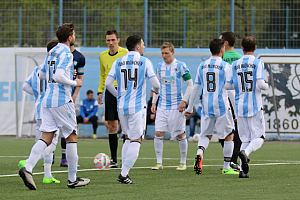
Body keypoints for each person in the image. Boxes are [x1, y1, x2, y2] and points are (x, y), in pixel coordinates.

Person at [19, 23, 90, 190]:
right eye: (74, 34)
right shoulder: (66, 53)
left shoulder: (52, 51)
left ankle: (28, 167)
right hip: (61, 100)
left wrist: (64, 75)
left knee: (46, 137)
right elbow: (58, 76)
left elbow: (43, 74)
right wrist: (74, 81)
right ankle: (72, 179)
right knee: (71, 135)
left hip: (47, 101)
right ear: (70, 37)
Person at [105, 34, 160, 184]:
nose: (144, 47)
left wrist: (118, 95)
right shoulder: (144, 61)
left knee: (127, 137)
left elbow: (108, 83)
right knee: (137, 139)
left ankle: (124, 169)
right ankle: (124, 174)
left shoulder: (118, 61)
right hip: (137, 107)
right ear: (137, 46)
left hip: (122, 106)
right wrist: (155, 94)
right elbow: (156, 84)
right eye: (142, 44)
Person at [185, 38, 239, 175]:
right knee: (229, 136)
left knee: (205, 135)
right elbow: (230, 91)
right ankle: (227, 168)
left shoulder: (202, 65)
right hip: (221, 106)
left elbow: (196, 88)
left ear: (210, 50)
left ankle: (199, 153)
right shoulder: (226, 66)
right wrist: (236, 112)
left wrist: (190, 108)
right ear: (222, 50)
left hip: (206, 106)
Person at [225, 36, 269, 178]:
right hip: (255, 106)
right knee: (260, 137)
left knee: (245, 139)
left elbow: (228, 85)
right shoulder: (258, 63)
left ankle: (243, 171)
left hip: (239, 106)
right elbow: (261, 84)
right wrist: (267, 85)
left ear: (242, 49)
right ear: (255, 48)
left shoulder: (235, 64)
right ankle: (246, 153)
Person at [19, 39, 60, 184]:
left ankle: (47, 176)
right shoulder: (55, 67)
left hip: (39, 109)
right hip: (51, 109)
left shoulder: (38, 69)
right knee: (51, 144)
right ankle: (27, 162)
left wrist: (38, 95)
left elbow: (25, 86)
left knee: (42, 141)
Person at [151, 42, 193, 171]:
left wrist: (184, 101)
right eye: (162, 53)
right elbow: (156, 86)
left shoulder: (180, 66)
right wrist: (153, 102)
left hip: (177, 106)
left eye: (167, 53)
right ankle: (159, 162)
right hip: (163, 106)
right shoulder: (159, 67)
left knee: (181, 134)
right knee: (158, 132)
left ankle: (183, 162)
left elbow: (190, 85)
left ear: (173, 53)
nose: (164, 56)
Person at [97, 29, 128, 168]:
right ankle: (114, 160)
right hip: (110, 92)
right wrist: (100, 91)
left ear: (118, 40)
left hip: (124, 91)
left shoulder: (125, 53)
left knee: (126, 126)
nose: (110, 43)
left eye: (113, 40)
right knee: (112, 126)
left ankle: (126, 158)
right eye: (108, 40)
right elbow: (103, 75)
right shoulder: (102, 56)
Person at [219, 31, 243, 171]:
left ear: (225, 43)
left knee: (224, 130)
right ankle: (234, 159)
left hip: (222, 97)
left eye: (220, 40)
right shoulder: (240, 59)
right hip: (239, 97)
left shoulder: (219, 58)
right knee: (238, 129)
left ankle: (229, 160)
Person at [60, 39, 85, 167]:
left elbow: (80, 79)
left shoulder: (79, 57)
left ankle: (64, 158)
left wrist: (75, 94)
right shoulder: (60, 53)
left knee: (68, 128)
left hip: (68, 96)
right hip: (59, 96)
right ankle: (50, 156)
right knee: (68, 129)